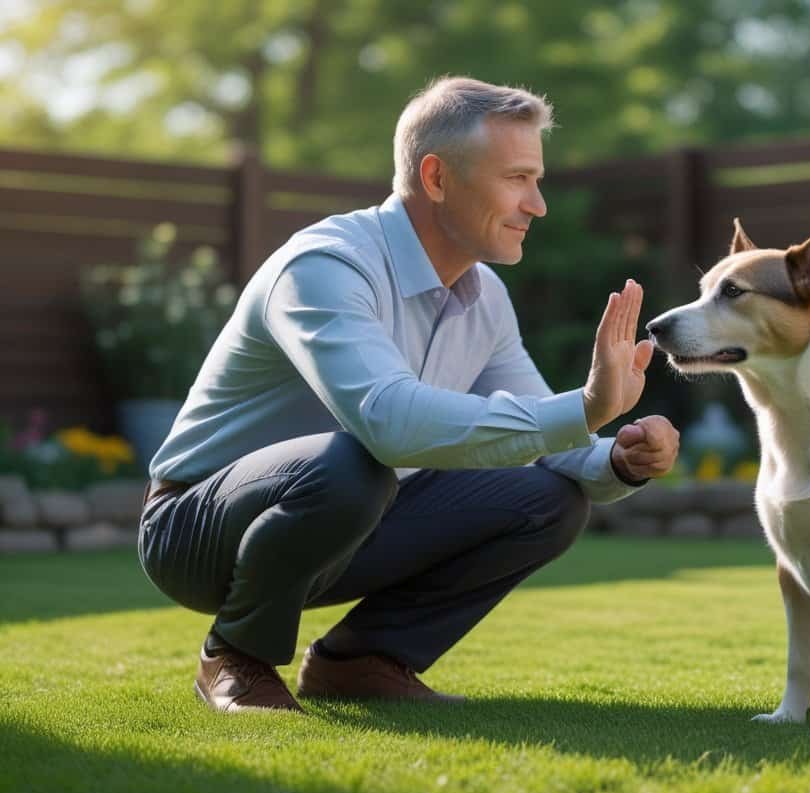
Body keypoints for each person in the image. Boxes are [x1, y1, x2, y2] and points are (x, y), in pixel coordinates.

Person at [137, 77, 680, 713]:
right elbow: (388, 425)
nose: (538, 205)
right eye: (516, 178)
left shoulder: (487, 298)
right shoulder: (325, 266)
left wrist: (616, 456)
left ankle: (360, 661)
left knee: (550, 500)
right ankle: (235, 653)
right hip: (196, 528)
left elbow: (542, 430)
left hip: (357, 509)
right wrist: (585, 405)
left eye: (538, 180)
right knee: (354, 464)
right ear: (437, 178)